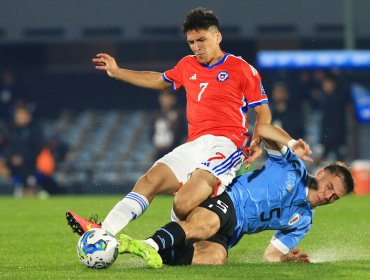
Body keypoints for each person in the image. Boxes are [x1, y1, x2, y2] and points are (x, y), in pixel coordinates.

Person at [66, 7, 271, 235]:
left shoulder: (242, 68)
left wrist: (257, 140)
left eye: (201, 40)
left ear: (217, 36)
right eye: (191, 42)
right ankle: (102, 232)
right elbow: (158, 80)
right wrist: (117, 71)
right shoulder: (187, 65)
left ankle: (183, 237)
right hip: (195, 144)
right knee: (149, 180)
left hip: (227, 144)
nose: (196, 47)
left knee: (183, 203)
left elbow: (263, 112)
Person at [116, 124, 354, 268]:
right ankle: (149, 243)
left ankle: (154, 251)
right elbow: (263, 129)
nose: (328, 196)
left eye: (335, 197)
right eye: (330, 187)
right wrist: (291, 143)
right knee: (206, 225)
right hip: (227, 199)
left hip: (232, 232)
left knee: (215, 258)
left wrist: (285, 260)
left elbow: (271, 256)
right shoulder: (292, 167)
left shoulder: (304, 221)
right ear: (322, 173)